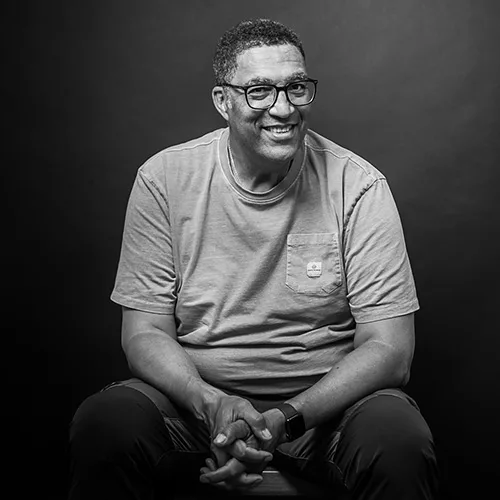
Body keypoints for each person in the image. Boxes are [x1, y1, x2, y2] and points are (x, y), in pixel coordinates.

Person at [69, 18, 439, 500]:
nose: (282, 108)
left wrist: (284, 418)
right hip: (194, 403)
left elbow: (390, 350)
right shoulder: (164, 179)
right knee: (104, 424)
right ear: (223, 101)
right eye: (259, 91)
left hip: (323, 411)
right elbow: (144, 333)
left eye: (296, 88)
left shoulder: (359, 187)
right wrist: (211, 405)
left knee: (400, 441)